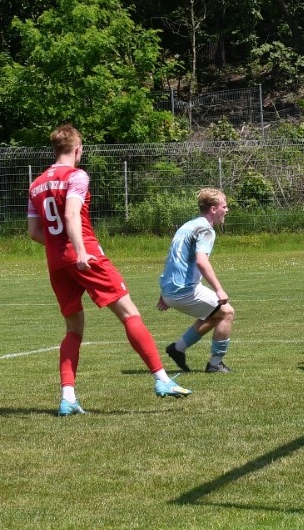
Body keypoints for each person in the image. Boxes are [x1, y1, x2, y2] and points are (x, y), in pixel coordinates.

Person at [28, 123, 190, 416]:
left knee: (73, 329)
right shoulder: (77, 175)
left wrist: (59, 248)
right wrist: (78, 251)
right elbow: (71, 213)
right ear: (78, 149)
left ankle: (68, 398)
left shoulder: (36, 183)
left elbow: (33, 232)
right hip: (85, 255)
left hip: (55, 261)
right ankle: (162, 380)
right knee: (129, 313)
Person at [158, 188, 235, 374]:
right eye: (225, 206)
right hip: (184, 290)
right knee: (227, 313)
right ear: (214, 209)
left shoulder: (188, 226)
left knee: (214, 315)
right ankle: (215, 364)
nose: (227, 210)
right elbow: (202, 261)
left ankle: (178, 349)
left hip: (171, 289)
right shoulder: (206, 230)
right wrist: (219, 289)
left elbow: (173, 258)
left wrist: (164, 292)